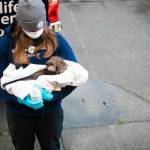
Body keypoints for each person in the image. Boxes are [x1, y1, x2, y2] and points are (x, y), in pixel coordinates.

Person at [0, 0, 88, 150]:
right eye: (31, 30)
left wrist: (53, 97)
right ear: (19, 22)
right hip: (18, 115)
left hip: (50, 114)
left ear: (44, 20)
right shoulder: (5, 44)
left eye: (38, 29)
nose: (35, 34)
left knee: (52, 146)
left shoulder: (57, 40)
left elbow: (74, 76)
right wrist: (19, 98)